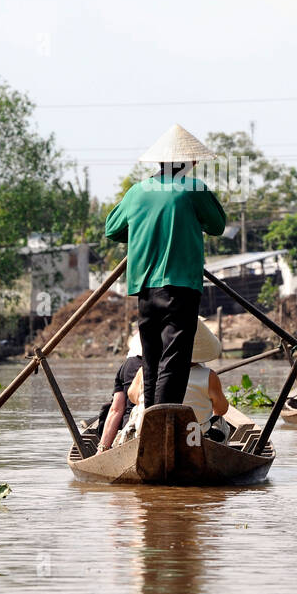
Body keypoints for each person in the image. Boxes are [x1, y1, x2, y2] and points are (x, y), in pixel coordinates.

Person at [104, 125, 226, 410]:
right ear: (190, 163)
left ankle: (148, 415)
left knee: (151, 356)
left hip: (144, 286)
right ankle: (163, 420)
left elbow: (113, 230)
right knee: (175, 357)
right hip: (180, 285)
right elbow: (217, 226)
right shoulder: (194, 188)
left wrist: (143, 231)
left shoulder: (137, 191)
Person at [118, 318, 230, 443]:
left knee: (136, 411)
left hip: (150, 434)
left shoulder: (145, 371)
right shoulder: (209, 376)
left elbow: (133, 397)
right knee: (220, 421)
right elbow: (221, 409)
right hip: (193, 439)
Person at [99, 333, 144, 450]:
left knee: (107, 410)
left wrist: (102, 449)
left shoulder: (127, 365)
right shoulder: (168, 367)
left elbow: (116, 410)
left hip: (130, 430)